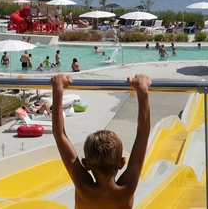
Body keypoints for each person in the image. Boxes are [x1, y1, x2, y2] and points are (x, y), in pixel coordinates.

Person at [51, 73, 150, 209]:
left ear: (85, 164)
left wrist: (58, 89)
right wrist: (143, 91)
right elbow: (143, 136)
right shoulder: (126, 189)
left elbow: (59, 134)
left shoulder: (83, 187)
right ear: (121, 163)